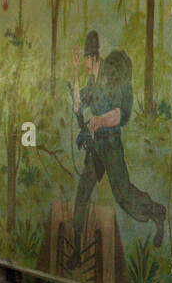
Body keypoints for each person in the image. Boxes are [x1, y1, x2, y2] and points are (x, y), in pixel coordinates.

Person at [70, 30, 165, 265]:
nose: (85, 66)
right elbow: (77, 105)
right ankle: (76, 249)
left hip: (110, 144)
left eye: (85, 61)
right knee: (82, 193)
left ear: (93, 57)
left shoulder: (111, 76)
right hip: (95, 147)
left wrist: (96, 122)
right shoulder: (92, 81)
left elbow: (119, 114)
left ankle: (156, 212)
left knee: (123, 194)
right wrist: (74, 71)